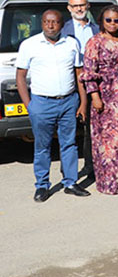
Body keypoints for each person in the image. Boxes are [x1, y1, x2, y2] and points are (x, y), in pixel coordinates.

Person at [16, 10, 90, 202]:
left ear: (61, 24)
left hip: (68, 101)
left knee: (69, 144)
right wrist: (29, 105)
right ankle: (42, 185)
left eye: (55, 22)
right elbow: (21, 77)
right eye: (47, 22)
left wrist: (82, 102)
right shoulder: (30, 45)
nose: (50, 25)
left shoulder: (71, 43)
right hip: (41, 103)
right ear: (42, 23)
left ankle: (70, 182)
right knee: (42, 146)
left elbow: (79, 75)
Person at [80, 5, 118, 194]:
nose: (113, 23)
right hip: (106, 96)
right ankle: (109, 183)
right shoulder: (95, 42)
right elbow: (88, 72)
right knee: (108, 142)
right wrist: (95, 97)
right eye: (109, 20)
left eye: (116, 20)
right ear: (102, 21)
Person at [62, 0, 99, 179]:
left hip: (93, 86)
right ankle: (67, 172)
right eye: (75, 6)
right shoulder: (63, 30)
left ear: (88, 6)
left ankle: (90, 166)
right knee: (68, 130)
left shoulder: (97, 29)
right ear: (69, 8)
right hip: (71, 86)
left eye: (82, 5)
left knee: (91, 128)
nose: (79, 9)